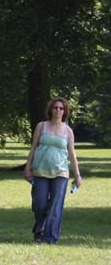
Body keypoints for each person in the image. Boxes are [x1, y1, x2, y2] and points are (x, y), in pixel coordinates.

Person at [23, 97, 83, 244]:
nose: (58, 110)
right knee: (40, 204)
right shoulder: (41, 126)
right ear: (50, 110)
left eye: (61, 108)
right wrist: (27, 166)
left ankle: (49, 238)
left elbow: (72, 154)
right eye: (55, 107)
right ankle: (39, 230)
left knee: (56, 206)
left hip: (61, 173)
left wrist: (77, 175)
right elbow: (33, 147)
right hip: (40, 171)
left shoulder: (68, 131)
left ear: (65, 111)